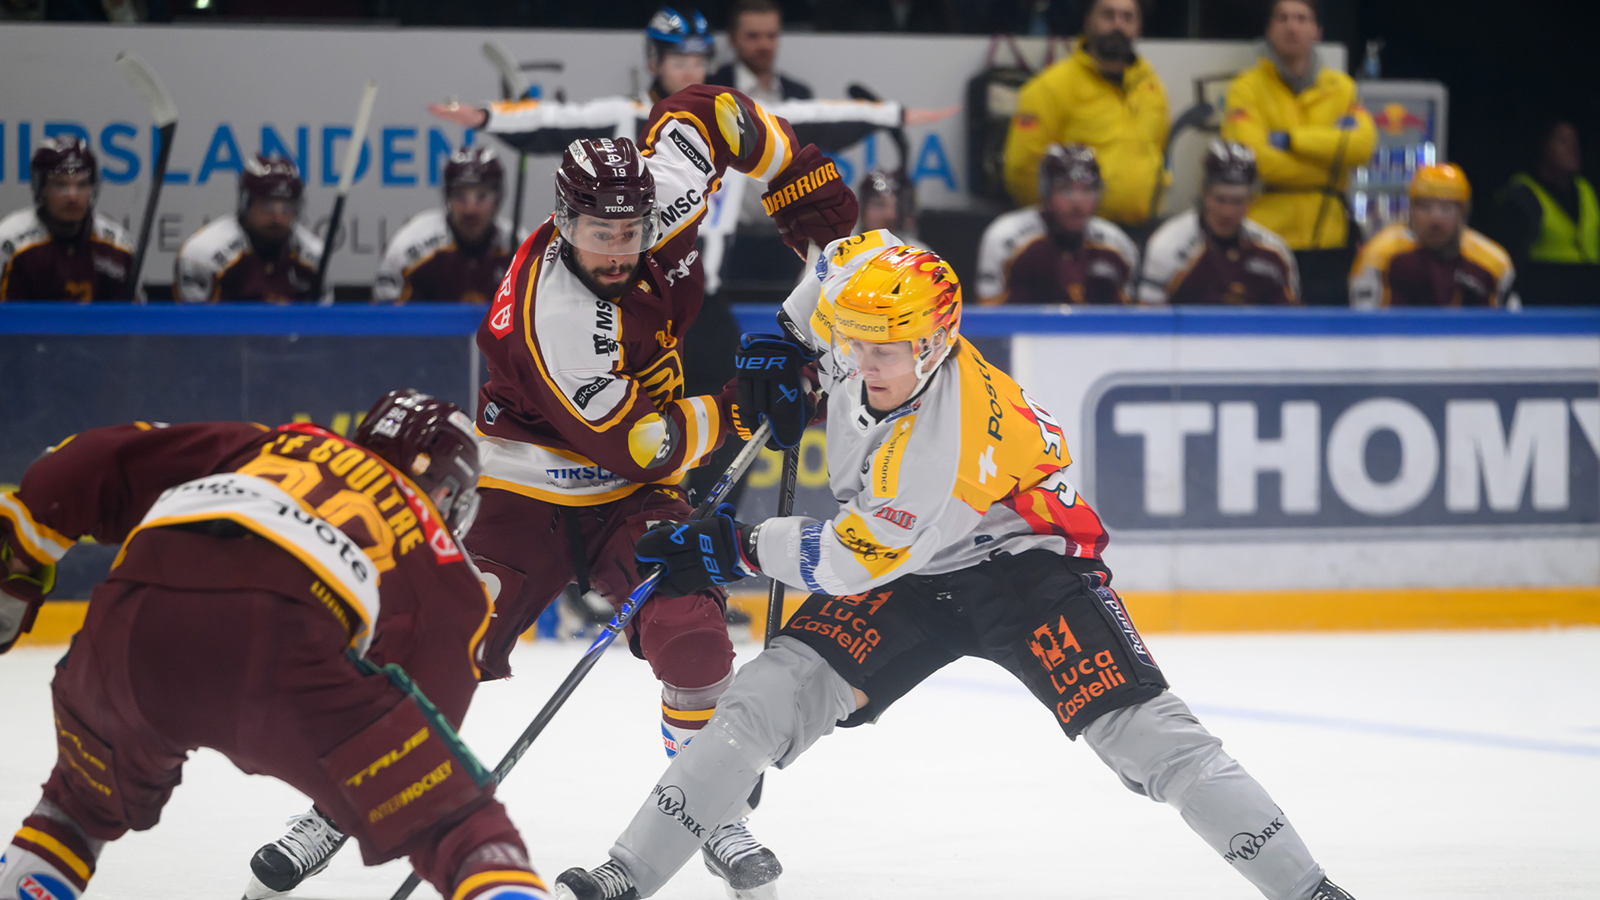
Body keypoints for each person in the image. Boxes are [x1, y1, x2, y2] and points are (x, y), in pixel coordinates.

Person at [550, 234, 1360, 900]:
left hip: (1022, 567)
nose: (863, 364)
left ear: (934, 344)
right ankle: (627, 873)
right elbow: (836, 253)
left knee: (1152, 741)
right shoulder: (875, 292)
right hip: (909, 563)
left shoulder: (945, 443)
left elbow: (853, 558)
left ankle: (1312, 890)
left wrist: (731, 547)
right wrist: (785, 343)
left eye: (885, 352)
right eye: (851, 343)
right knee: (762, 701)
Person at [463, 84, 858, 897]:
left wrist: (795, 169)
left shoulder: (664, 198)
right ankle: (338, 810)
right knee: (445, 636)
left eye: (632, 231)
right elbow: (642, 442)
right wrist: (744, 403)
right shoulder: (552, 318)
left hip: (626, 501)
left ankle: (714, 813)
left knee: (695, 632)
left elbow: (710, 112)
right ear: (563, 225)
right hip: (521, 489)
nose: (619, 249)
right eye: (600, 234)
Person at [0, 391, 552, 900]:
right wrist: (420, 801)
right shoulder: (439, 550)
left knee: (73, 811)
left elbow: (96, 456)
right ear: (449, 489)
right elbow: (429, 710)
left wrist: (24, 546)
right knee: (460, 825)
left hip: (128, 626)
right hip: (279, 652)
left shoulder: (277, 442)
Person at [1220, 0, 1376, 306]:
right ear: (1269, 30)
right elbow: (1255, 161)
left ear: (1316, 31)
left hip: (1331, 237)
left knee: (1329, 338)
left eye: (1302, 19)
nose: (1292, 27)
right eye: (1283, 19)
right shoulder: (1246, 88)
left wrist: (1290, 140)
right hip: (1267, 235)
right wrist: (1327, 161)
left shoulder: (1341, 87)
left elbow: (1361, 147)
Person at [1002, 0, 1169, 231]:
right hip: (1075, 235)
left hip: (1142, 230)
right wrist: (1059, 226)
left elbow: (1157, 152)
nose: (1118, 25)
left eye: (1127, 17)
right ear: (1088, 21)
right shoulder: (1050, 87)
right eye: (1108, 15)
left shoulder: (1151, 85)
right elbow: (1022, 169)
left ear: (1138, 27)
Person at [1139, 141, 1300, 305]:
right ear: (1204, 194)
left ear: (1251, 200)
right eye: (1220, 199)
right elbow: (1150, 319)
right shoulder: (1167, 245)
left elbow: (1292, 322)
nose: (1227, 212)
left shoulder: (1275, 253)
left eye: (1237, 201)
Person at [977, 143, 1139, 305]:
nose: (1077, 202)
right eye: (1065, 189)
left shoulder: (1118, 247)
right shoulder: (1005, 239)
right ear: (1045, 192)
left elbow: (1127, 324)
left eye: (1087, 189)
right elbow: (988, 318)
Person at [1350, 163, 1515, 308]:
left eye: (1446, 208)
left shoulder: (1495, 263)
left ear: (1463, 213)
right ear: (1411, 211)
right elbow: (1362, 324)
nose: (1435, 219)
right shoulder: (1378, 255)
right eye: (1425, 207)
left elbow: (1514, 329)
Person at [174, 154, 328, 303]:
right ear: (246, 204)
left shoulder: (314, 258)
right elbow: (190, 325)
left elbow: (324, 324)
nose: (278, 218)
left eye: (287, 208)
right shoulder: (203, 254)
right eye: (268, 207)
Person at [375, 146, 519, 304]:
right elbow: (384, 320)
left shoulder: (521, 249)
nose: (470, 210)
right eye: (460, 195)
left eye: (482, 196)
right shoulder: (409, 249)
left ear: (498, 199)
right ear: (447, 197)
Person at [0, 136, 136, 302]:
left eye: (82, 185)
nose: (72, 197)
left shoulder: (117, 246)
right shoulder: (11, 243)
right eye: (60, 185)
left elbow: (134, 321)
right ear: (40, 189)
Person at [1494, 120, 1597, 267]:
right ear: (1543, 146)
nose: (1573, 148)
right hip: (1547, 285)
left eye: (1575, 141)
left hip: (1590, 284)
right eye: (1563, 141)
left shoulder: (1585, 189)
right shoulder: (1523, 195)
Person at [855, 168, 925, 247]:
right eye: (879, 204)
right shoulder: (846, 254)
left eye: (901, 207)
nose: (891, 215)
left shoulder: (921, 255)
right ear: (861, 211)